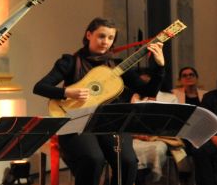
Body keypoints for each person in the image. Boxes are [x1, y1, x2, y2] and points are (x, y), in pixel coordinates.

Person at [33, 17, 165, 185]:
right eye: (101, 36)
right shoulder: (70, 62)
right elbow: (39, 87)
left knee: (128, 162)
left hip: (109, 123)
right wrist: (67, 92)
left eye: (110, 38)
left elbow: (149, 91)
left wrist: (160, 67)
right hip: (75, 121)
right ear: (89, 35)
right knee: (93, 159)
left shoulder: (118, 67)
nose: (106, 42)